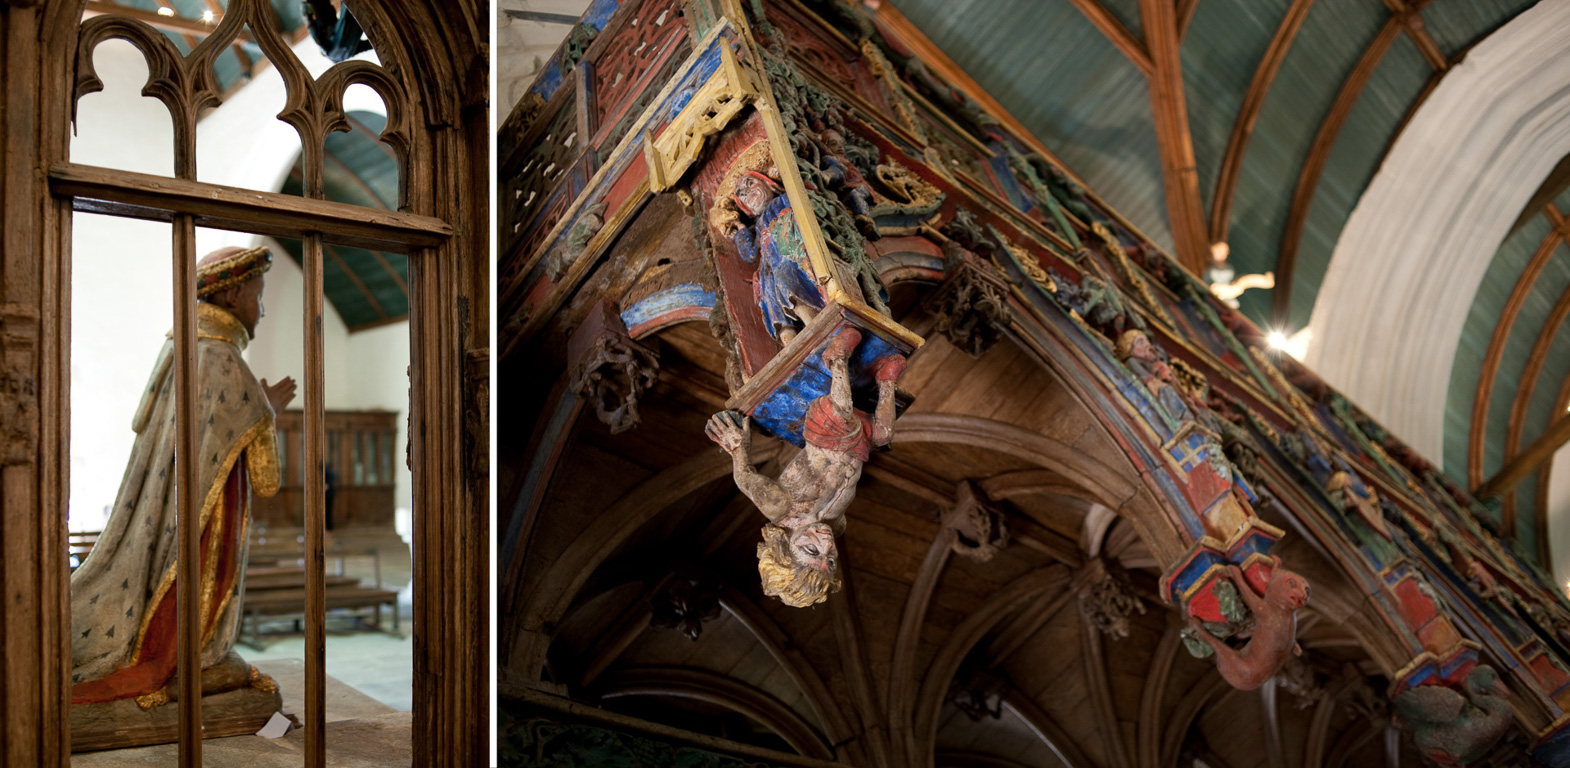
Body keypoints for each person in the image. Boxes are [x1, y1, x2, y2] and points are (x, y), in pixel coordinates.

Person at [69, 245, 296, 706]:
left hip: (171, 508)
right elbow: (267, 479)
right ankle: (177, 658)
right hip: (206, 521)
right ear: (232, 297)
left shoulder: (182, 350)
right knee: (178, 636)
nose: (263, 309)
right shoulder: (225, 361)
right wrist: (265, 412)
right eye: (258, 294)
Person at [705, 327, 904, 607]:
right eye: (831, 559)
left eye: (812, 550)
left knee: (842, 412)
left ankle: (837, 357)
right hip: (859, 448)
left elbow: (746, 480)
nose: (826, 545)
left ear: (784, 547)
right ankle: (886, 380)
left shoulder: (781, 508)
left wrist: (738, 448)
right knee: (883, 434)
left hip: (824, 433)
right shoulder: (836, 524)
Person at [729, 170, 825, 345]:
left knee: (786, 277)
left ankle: (815, 324)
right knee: (768, 293)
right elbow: (751, 255)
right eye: (741, 194)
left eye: (750, 183)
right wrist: (741, 231)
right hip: (771, 265)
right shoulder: (758, 225)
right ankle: (789, 340)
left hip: (791, 252)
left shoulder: (782, 200)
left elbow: (808, 199)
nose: (747, 193)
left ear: (769, 183)